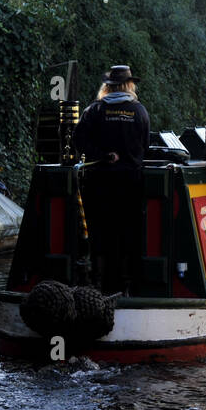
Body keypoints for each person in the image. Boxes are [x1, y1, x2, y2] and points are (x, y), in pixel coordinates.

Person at [72, 65, 150, 296]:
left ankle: (101, 287)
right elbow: (144, 146)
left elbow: (79, 141)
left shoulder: (94, 110)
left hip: (99, 183)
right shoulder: (139, 112)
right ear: (129, 85)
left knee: (101, 235)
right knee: (129, 233)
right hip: (130, 183)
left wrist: (102, 156)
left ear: (107, 86)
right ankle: (129, 287)